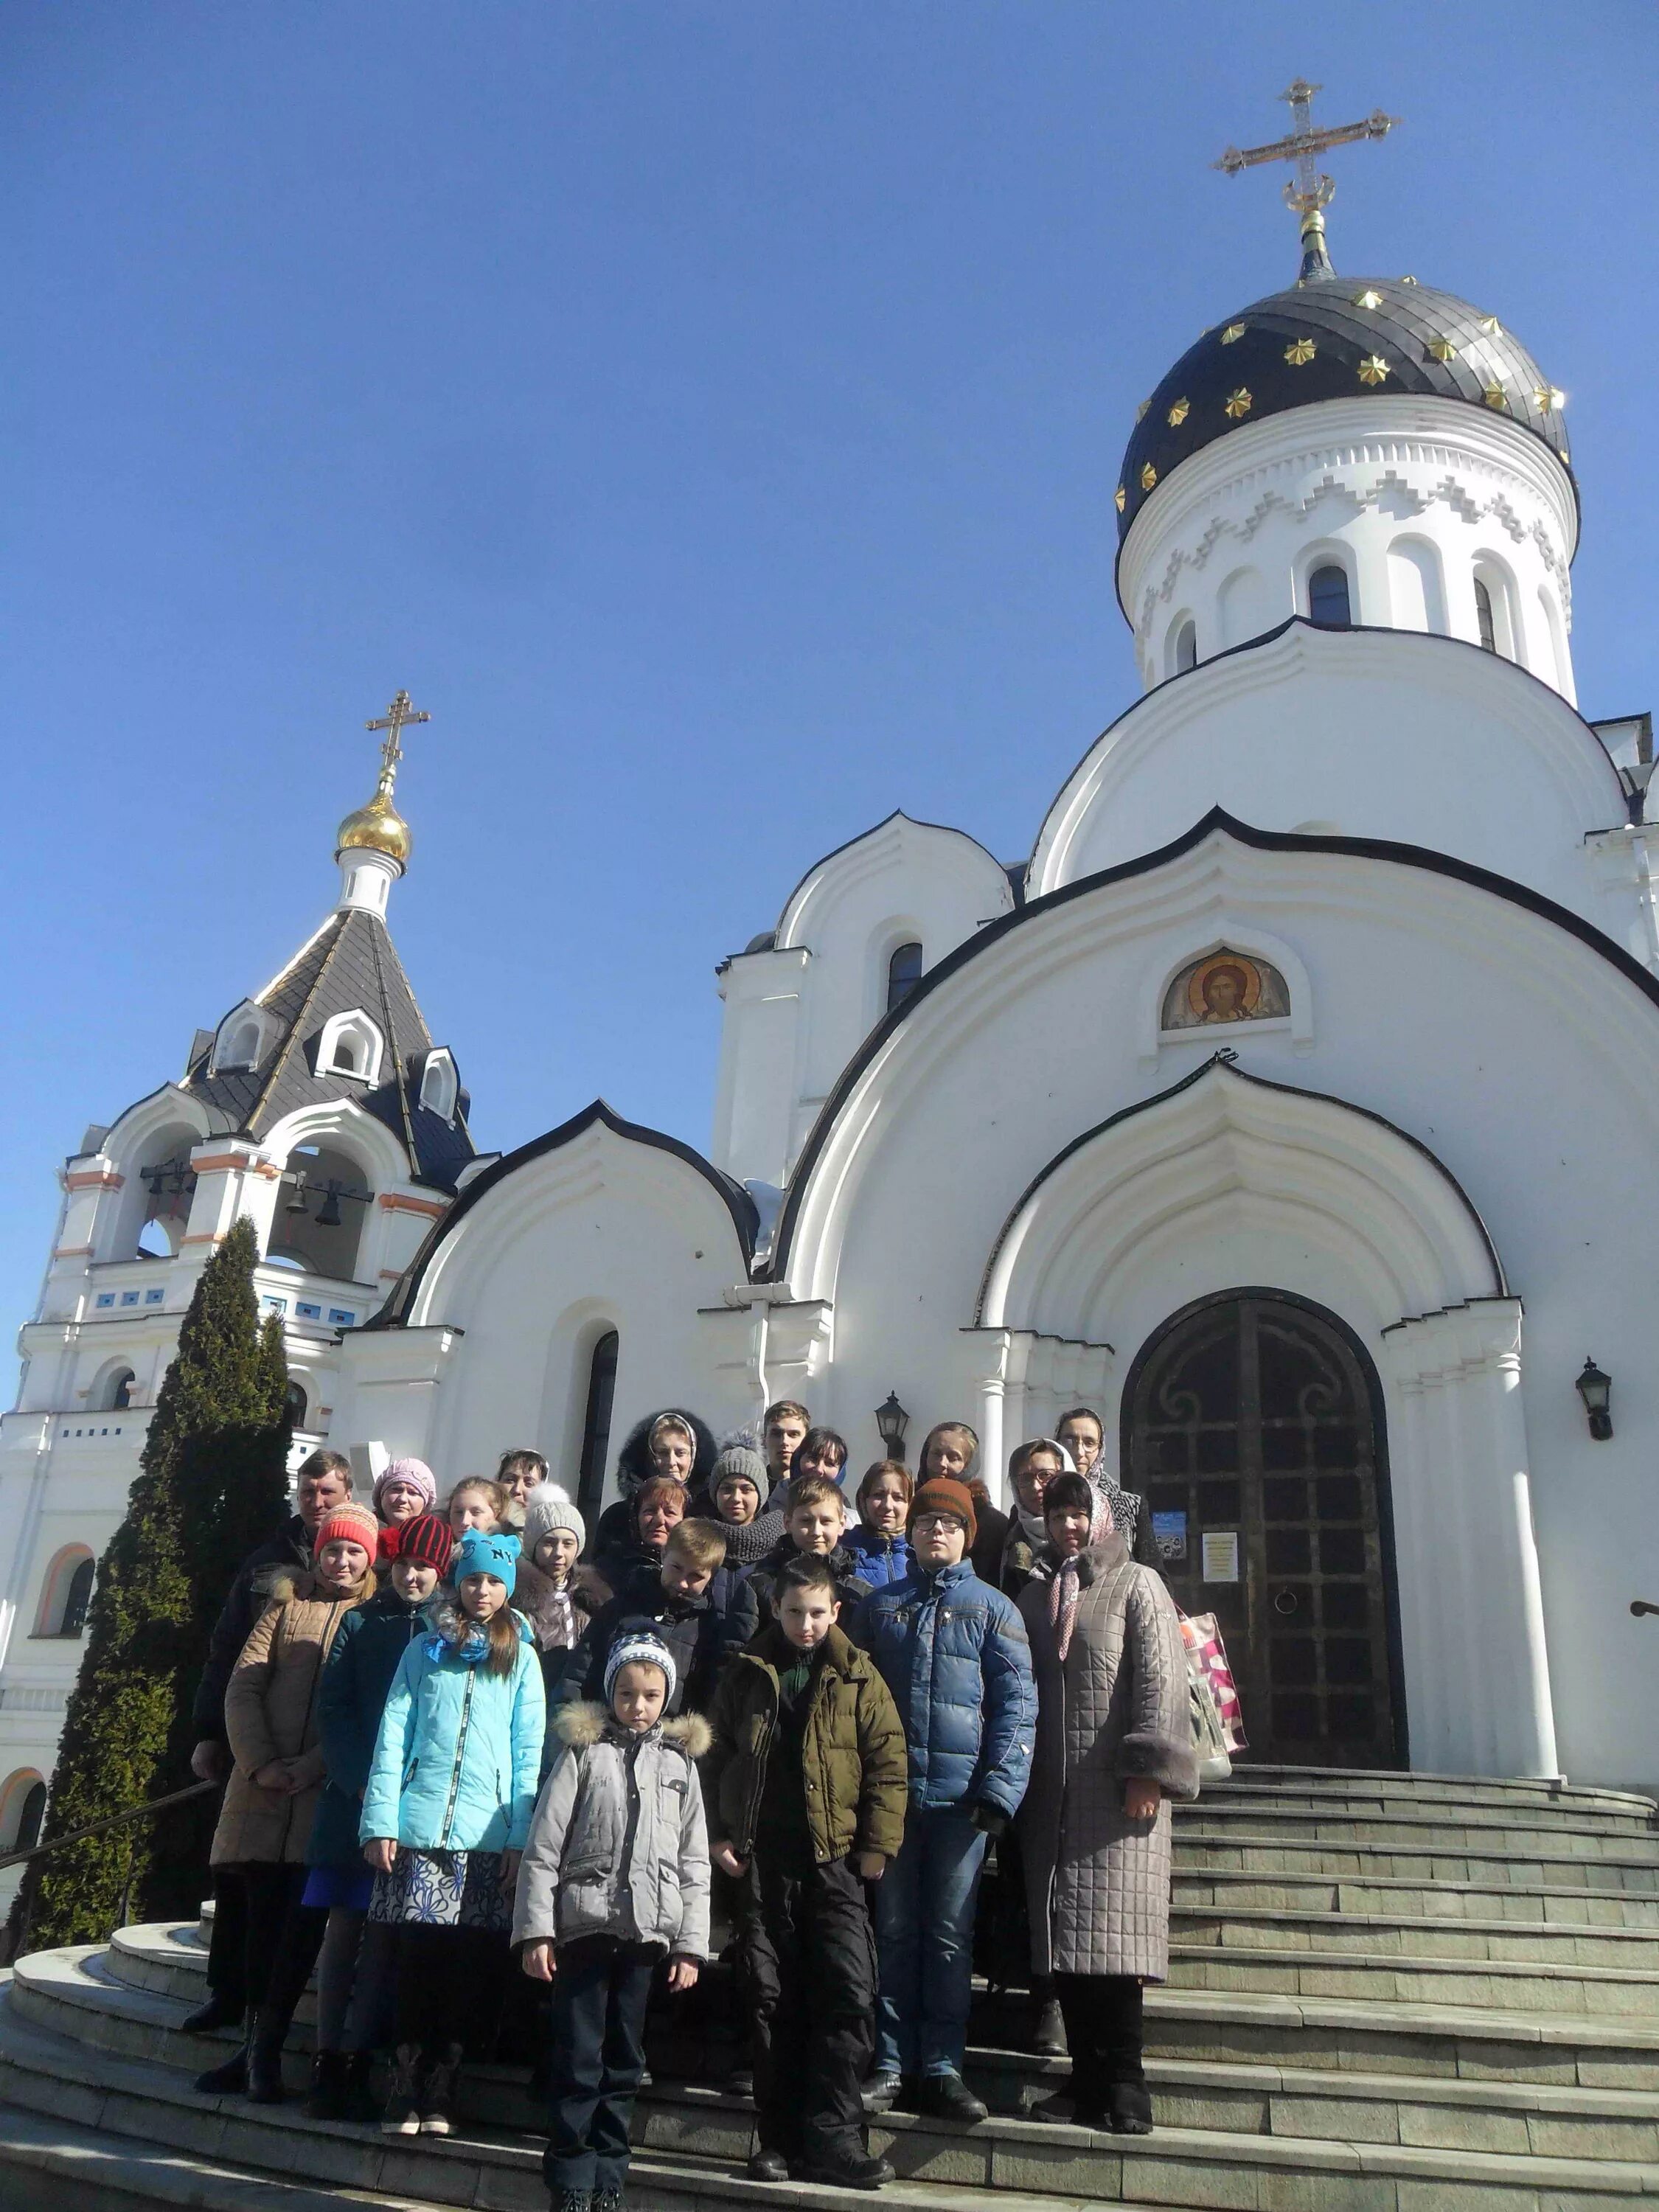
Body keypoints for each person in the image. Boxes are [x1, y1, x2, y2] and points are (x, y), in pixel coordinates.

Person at [705, 1554, 906, 2189]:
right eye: (795, 1612)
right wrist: (717, 1835)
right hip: (763, 1863)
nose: (808, 1624)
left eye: (819, 1612)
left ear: (835, 1611)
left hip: (836, 1861)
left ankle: (836, 2139)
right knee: (770, 1998)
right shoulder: (744, 1673)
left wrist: (877, 1844)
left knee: (847, 1993)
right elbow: (711, 1759)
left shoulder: (858, 1675)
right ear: (776, 1610)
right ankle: (779, 2139)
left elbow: (888, 1762)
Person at [1018, 1472, 1197, 2135]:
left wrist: (1149, 1770)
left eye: (1077, 1512)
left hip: (1118, 1792)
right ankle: (1083, 2082)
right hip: (1053, 1797)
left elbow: (1160, 1678)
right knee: (1069, 1940)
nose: (1067, 1524)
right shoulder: (1039, 1596)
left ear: (1099, 1518)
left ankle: (1125, 2086)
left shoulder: (1138, 1583)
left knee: (1116, 1945)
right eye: (1056, 1513)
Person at [853, 1476, 1035, 2124]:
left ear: (966, 1536)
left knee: (952, 1937)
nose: (937, 1532)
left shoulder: (993, 1609)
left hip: (963, 1809)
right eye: (927, 1522)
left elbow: (1018, 1705)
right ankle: (893, 2063)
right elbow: (851, 1703)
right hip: (892, 1805)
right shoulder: (880, 1607)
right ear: (912, 1532)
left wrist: (999, 1791)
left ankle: (944, 2065)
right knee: (895, 1933)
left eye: (950, 1525)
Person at [515, 1632, 712, 2212]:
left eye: (651, 1695)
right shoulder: (583, 1754)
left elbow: (693, 1862)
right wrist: (537, 1930)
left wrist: (689, 1947)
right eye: (627, 1693)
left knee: (624, 2059)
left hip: (648, 1937)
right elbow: (544, 1848)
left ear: (667, 1698)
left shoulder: (679, 1767)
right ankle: (571, 2178)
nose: (639, 1705)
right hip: (584, 1929)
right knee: (578, 2056)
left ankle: (609, 2178)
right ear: (611, 1693)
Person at [360, 1529, 547, 2137]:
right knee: (416, 1965)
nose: (482, 1591)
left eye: (495, 1581)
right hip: (421, 1832)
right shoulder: (423, 1650)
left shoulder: (520, 1654)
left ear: (508, 1587)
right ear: (456, 1582)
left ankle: (444, 2088)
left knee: (468, 1970)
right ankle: (403, 2086)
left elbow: (528, 1752)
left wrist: (520, 1836)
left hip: (485, 1839)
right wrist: (381, 1819)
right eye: (472, 1579)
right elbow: (394, 1735)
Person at [193, 1500, 378, 2101]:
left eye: (354, 1551)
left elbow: (363, 1707)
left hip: (321, 1799)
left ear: (369, 1558)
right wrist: (261, 1762)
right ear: (318, 1553)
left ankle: (266, 2053)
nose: (342, 1560)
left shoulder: (372, 1617)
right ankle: (250, 2051)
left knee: (301, 1935)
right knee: (258, 1931)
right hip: (262, 1792)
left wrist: (314, 1764)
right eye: (333, 1549)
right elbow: (244, 1683)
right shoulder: (285, 1607)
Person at [184, 1447, 355, 2035]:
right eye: (309, 1493)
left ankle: (269, 2018)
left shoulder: (366, 1583)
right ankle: (225, 1993)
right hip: (256, 1750)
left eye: (328, 1493)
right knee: (239, 1882)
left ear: (347, 1496)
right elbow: (230, 1649)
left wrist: (315, 1763)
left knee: (294, 1899)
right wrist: (212, 1733)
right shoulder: (268, 1562)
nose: (317, 1503)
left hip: (317, 1766)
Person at [302, 1510, 454, 2120]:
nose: (413, 1576)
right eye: (405, 1564)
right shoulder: (362, 1622)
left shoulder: (448, 1629)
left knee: (388, 1941)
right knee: (343, 1934)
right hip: (357, 1802)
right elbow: (334, 1706)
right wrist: (362, 1780)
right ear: (390, 1563)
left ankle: (365, 2058)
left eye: (426, 1567)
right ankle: (326, 2059)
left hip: (413, 1812)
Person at [556, 1517, 757, 1721]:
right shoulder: (621, 1609)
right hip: (611, 1734)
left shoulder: (709, 1628)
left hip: (671, 1742)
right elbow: (578, 1675)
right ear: (664, 1555)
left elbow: (711, 1696)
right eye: (676, 1568)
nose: (682, 1583)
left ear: (711, 1577)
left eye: (695, 1576)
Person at [588, 1409, 717, 1567]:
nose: (671, 1462)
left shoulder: (708, 1519)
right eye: (662, 1453)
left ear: (694, 1457)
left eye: (680, 1453)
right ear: (649, 1458)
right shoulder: (617, 1519)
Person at [746, 1474, 874, 1624]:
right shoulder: (761, 1584)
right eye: (806, 1521)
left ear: (841, 1524)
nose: (816, 1531)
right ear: (788, 1523)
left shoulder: (858, 1592)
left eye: (826, 1521)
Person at [1054, 1406, 1160, 1568]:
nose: (1079, 1451)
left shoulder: (1129, 1505)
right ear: (1057, 1444)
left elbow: (1155, 1575)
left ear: (1100, 1449)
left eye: (1089, 1443)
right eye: (1070, 1441)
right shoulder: (1038, 1502)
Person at [521, 1484, 600, 1697]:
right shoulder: (519, 1599)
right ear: (533, 1545)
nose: (558, 1553)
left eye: (568, 1544)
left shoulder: (593, 1599)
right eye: (549, 1542)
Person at [917, 1421, 1009, 1587]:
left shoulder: (990, 1523)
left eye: (954, 1457)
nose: (942, 1463)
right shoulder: (905, 1507)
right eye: (936, 1454)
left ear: (969, 1465)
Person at [694, 1430, 786, 1571]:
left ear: (761, 1494)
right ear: (715, 1493)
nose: (736, 1498)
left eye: (746, 1490)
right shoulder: (694, 1540)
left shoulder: (781, 1546)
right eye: (727, 1489)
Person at [997, 1439, 1071, 1601]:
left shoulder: (1091, 1533)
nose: (1035, 1487)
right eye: (1025, 1479)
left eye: (1045, 1475)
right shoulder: (1006, 1539)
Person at [591, 1472, 689, 1596]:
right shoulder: (606, 1572)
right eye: (650, 1511)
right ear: (636, 1518)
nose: (659, 1520)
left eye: (670, 1512)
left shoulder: (693, 1569)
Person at [841, 1462, 914, 1589]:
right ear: (864, 1500)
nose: (887, 1506)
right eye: (878, 1495)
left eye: (898, 1498)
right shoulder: (843, 1549)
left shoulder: (920, 1552)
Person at [374, 1457, 437, 1533]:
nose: (402, 1499)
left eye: (413, 1493)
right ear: (381, 1496)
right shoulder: (361, 1531)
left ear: (425, 1506)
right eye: (397, 1489)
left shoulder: (429, 1541)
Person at [762, 1400, 810, 1495]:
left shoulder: (824, 1496)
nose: (784, 1441)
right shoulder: (748, 1491)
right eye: (776, 1434)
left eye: (793, 1434)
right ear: (764, 1440)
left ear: (806, 1442)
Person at [447, 1475, 509, 1540]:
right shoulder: (437, 1546)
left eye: (476, 1513)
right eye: (459, 1512)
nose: (464, 1522)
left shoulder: (509, 1549)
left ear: (496, 1514)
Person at [792, 1425, 849, 1489]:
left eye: (830, 1464)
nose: (819, 1469)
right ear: (798, 1458)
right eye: (813, 1459)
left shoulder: (842, 1499)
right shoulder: (780, 1495)